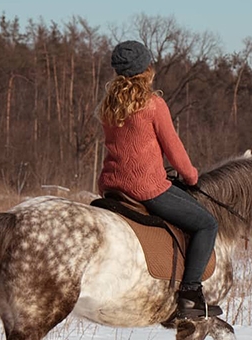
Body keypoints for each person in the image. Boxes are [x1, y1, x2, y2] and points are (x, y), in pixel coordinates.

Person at [97, 40, 222, 319]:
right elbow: (174, 149)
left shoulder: (108, 106)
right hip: (146, 188)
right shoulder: (153, 104)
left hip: (111, 186)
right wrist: (190, 177)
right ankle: (190, 293)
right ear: (146, 70)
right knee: (207, 223)